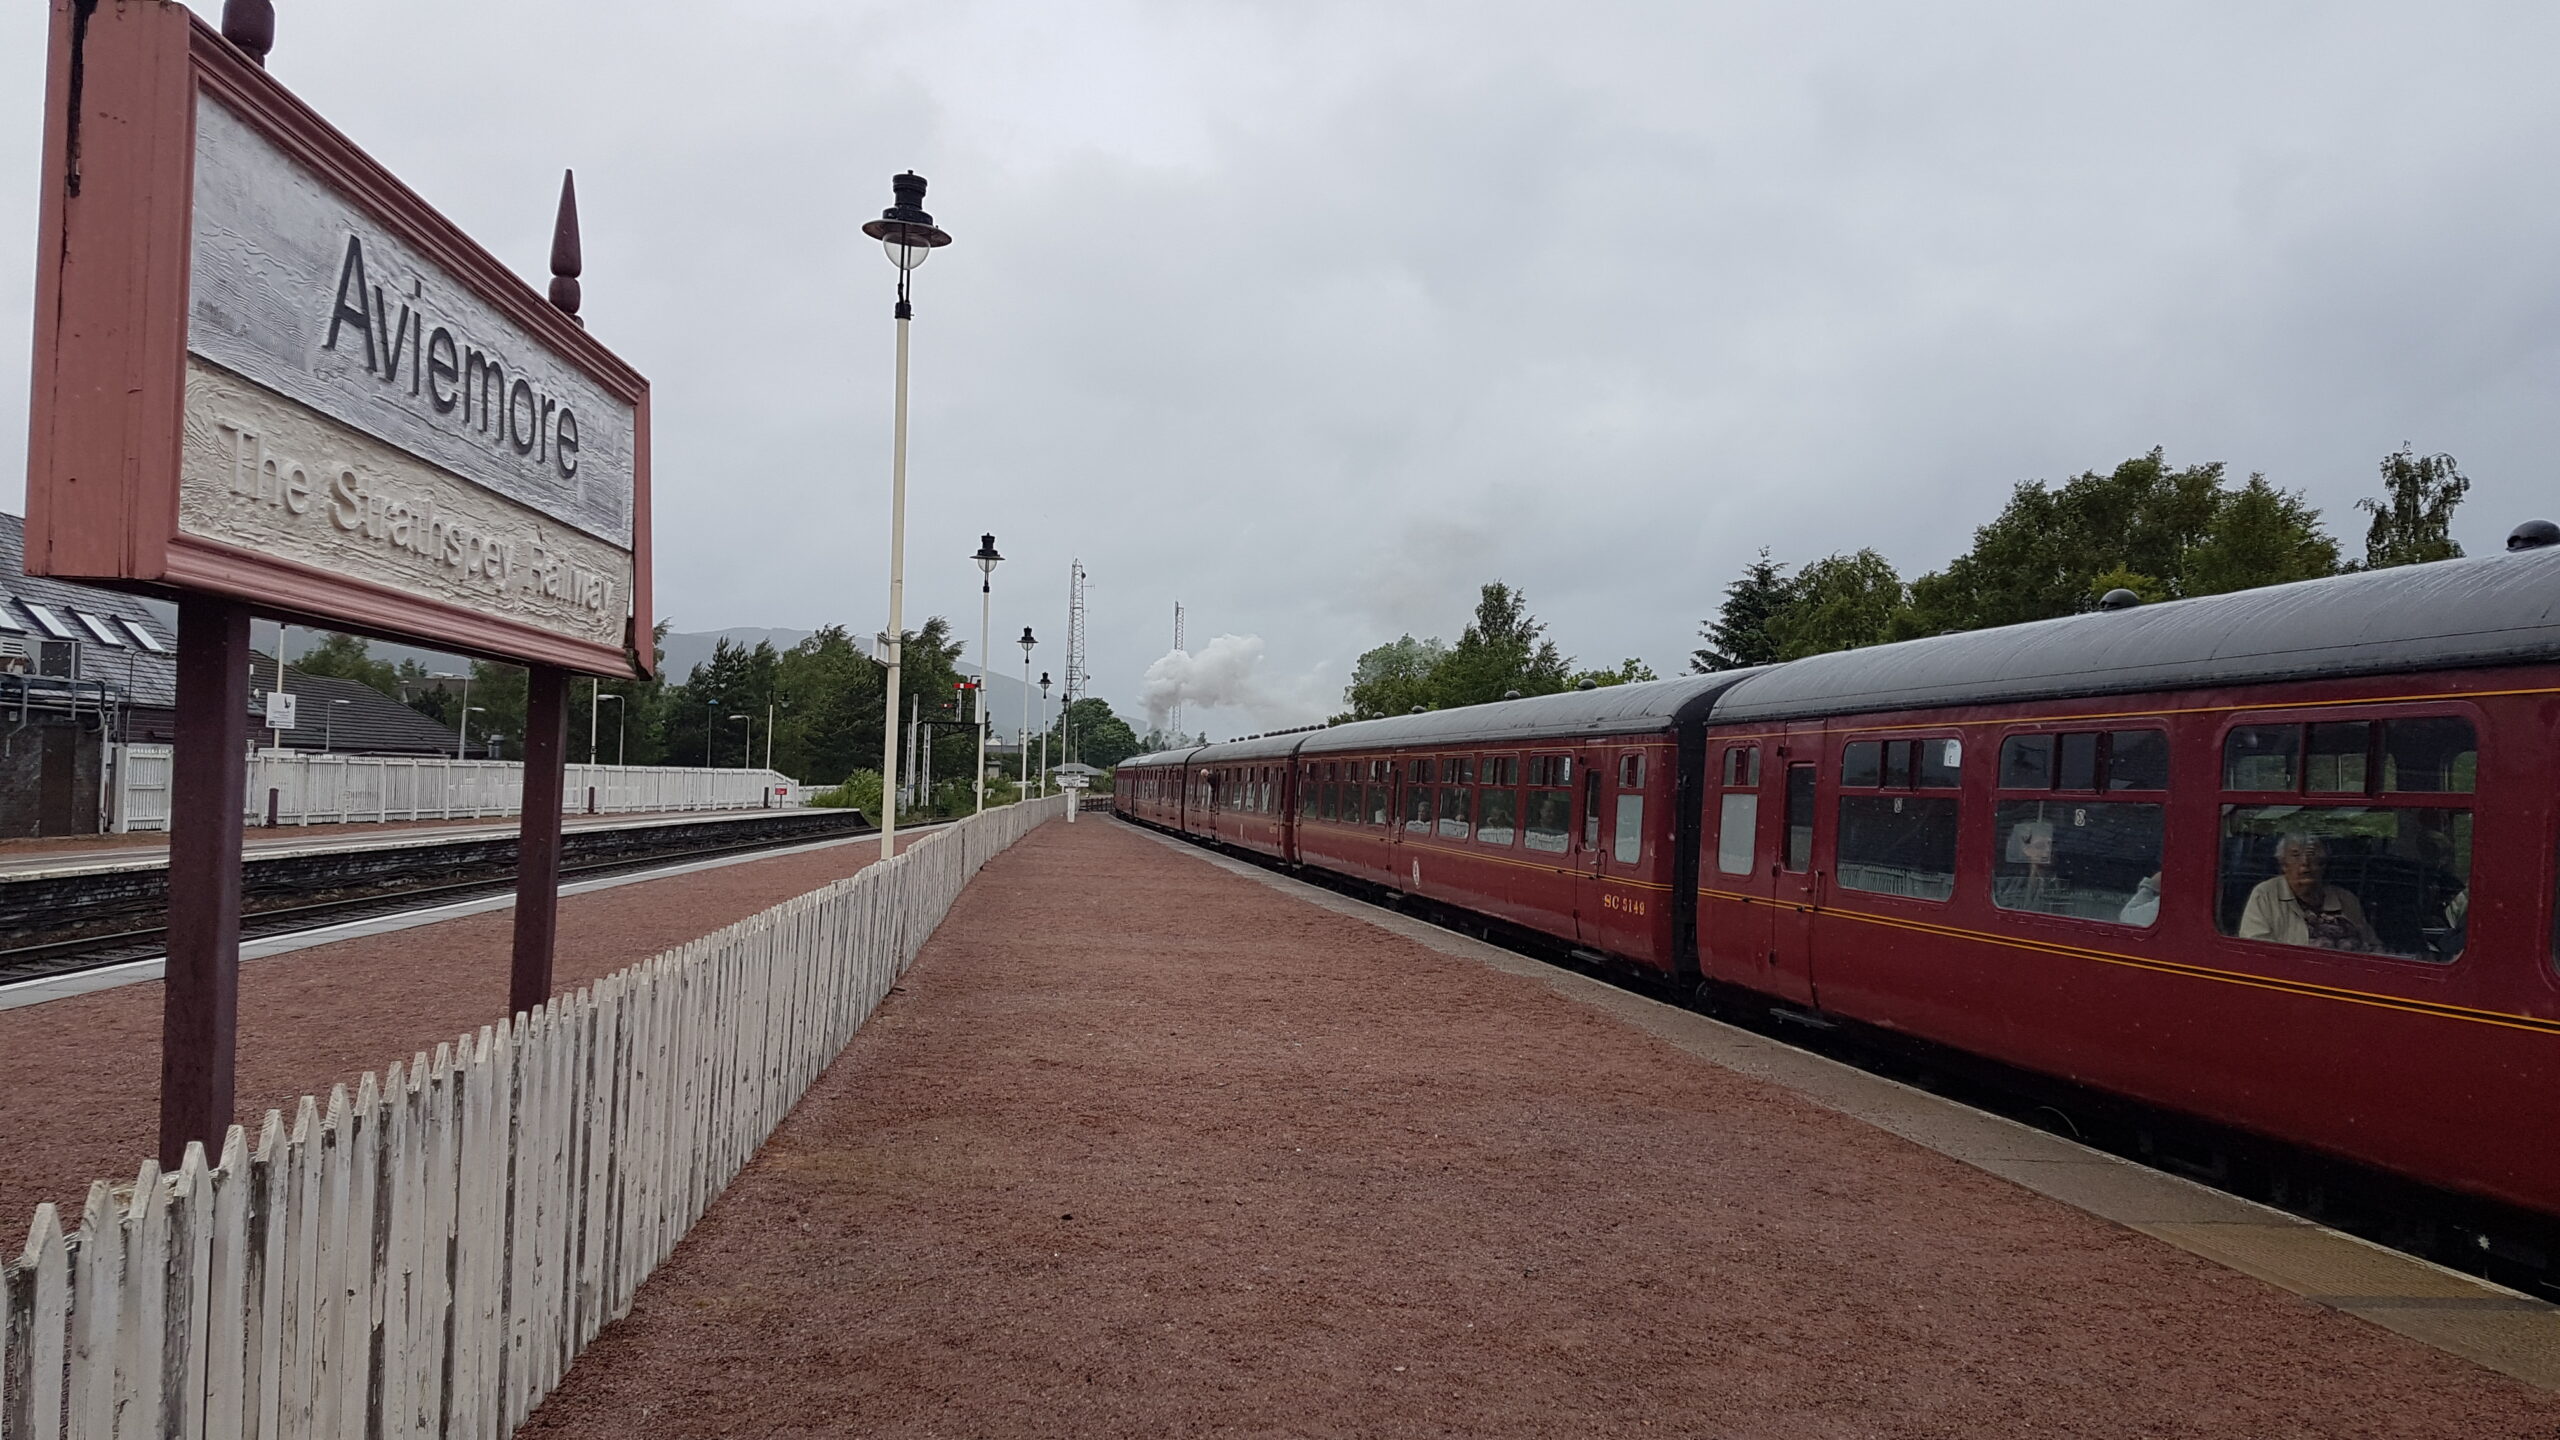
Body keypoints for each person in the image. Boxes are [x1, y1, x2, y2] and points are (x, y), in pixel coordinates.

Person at [2237, 833, 2378, 951]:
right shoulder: (2265, 894)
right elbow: (2255, 948)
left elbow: (2373, 946)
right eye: (2296, 855)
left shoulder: (2346, 898)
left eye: (2313, 856)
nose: (2305, 862)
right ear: (2283, 864)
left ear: (2324, 864)